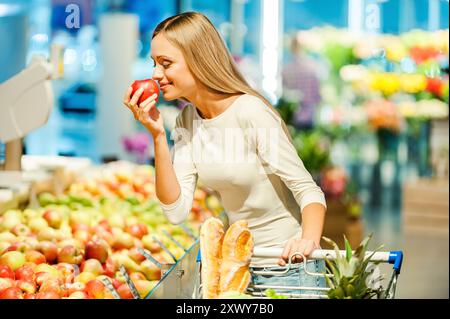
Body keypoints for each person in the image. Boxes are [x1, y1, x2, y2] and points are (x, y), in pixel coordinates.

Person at [123, 12, 327, 296]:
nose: (156, 74)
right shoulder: (187, 122)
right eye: (154, 63)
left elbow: (309, 191)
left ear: (198, 60)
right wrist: (157, 134)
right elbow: (176, 211)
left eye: (165, 64)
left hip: (290, 270)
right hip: (239, 270)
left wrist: (308, 241)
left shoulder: (250, 112)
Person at [282, 35, 322, 130]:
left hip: (292, 118)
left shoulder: (286, 69)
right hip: (310, 117)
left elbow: (285, 95)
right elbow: (318, 96)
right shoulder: (312, 67)